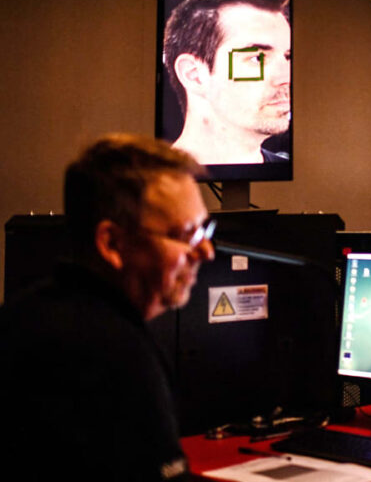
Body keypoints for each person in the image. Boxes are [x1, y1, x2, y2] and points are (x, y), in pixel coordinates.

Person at [0, 134, 215, 480]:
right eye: (187, 234)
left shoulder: (25, 314)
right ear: (112, 243)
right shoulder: (112, 353)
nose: (207, 252)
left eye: (205, 230)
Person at [163, 0, 291, 165]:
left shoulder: (294, 171)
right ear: (194, 75)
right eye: (256, 58)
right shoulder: (142, 180)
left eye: (287, 57)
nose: (286, 78)